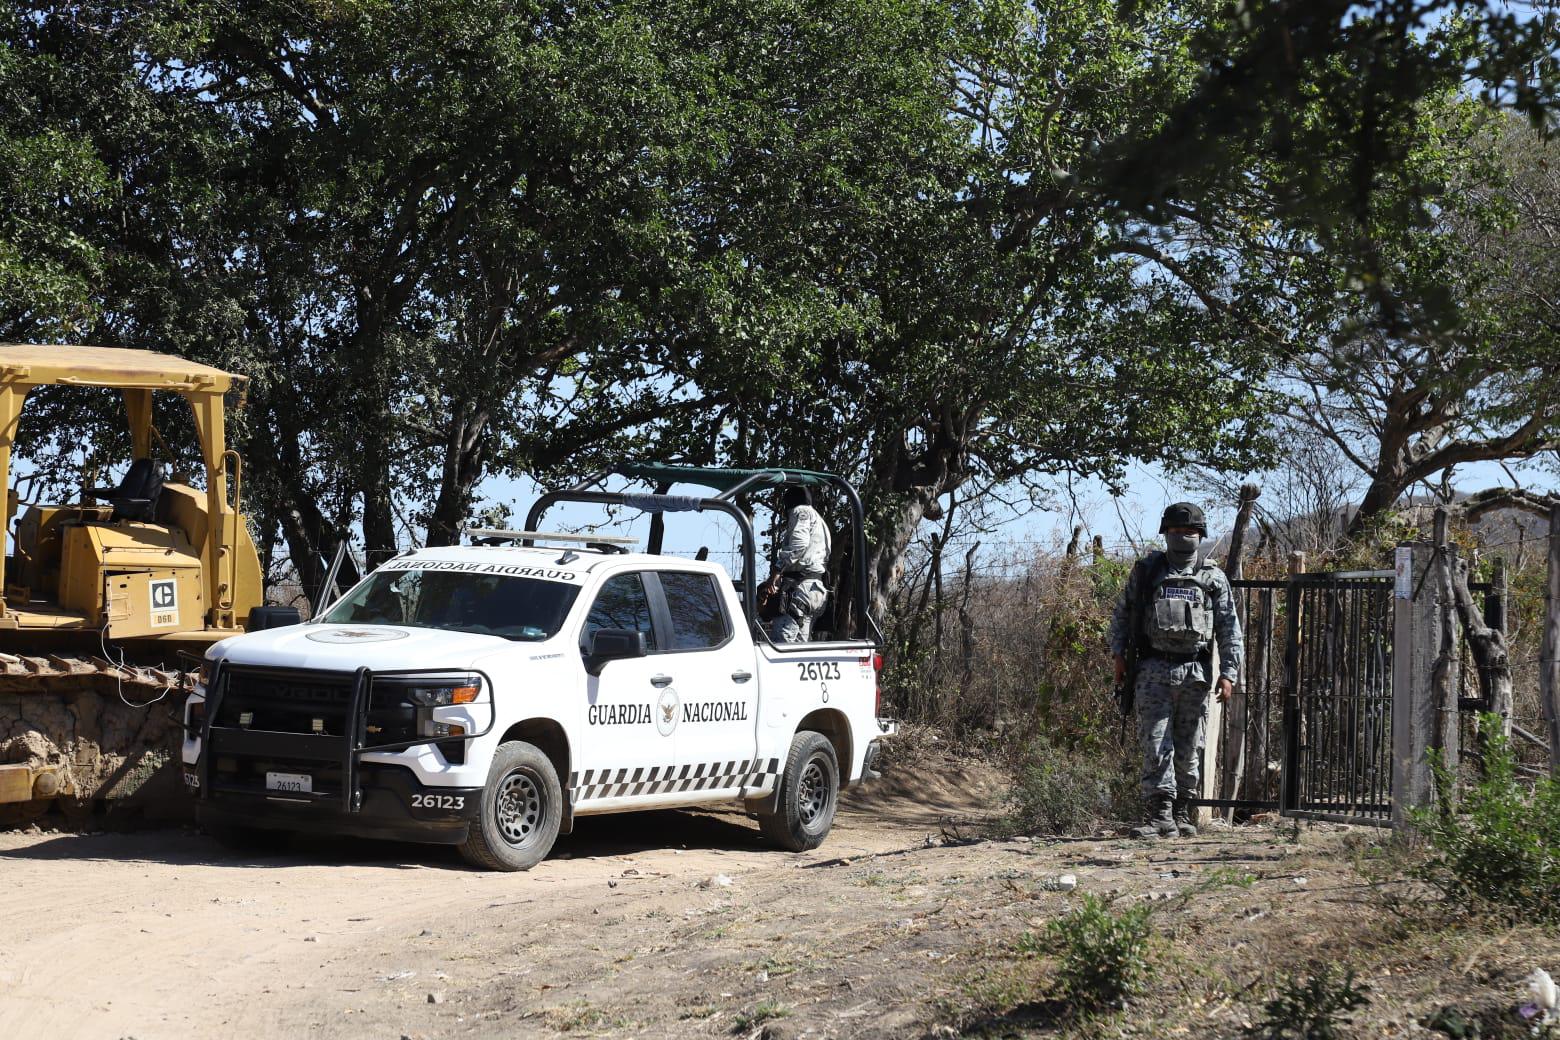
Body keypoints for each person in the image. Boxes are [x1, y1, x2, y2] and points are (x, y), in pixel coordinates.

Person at [1108, 501, 1242, 839]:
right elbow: (1122, 615)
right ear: (1165, 533)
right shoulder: (1148, 571)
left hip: (1194, 673)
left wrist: (1229, 674)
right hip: (1153, 670)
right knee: (1156, 745)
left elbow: (1229, 628)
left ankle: (1182, 813)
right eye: (1177, 531)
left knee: (1188, 747)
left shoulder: (1212, 577)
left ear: (1201, 535)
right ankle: (1159, 815)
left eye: (1190, 532)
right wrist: (1118, 656)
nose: (1183, 536)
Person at [764, 486, 832, 643]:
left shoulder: (800, 512)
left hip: (801, 588)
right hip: (816, 588)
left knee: (781, 643)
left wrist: (776, 572)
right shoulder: (819, 520)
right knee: (800, 646)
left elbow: (798, 545)